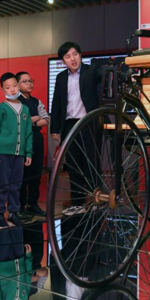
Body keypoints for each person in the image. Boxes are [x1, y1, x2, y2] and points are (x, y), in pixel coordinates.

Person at [49, 42, 102, 215]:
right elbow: (56, 103)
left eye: (75, 54)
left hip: (89, 123)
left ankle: (96, 200)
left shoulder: (91, 71)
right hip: (70, 125)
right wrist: (55, 128)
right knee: (73, 165)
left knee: (92, 162)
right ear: (63, 60)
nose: (72, 59)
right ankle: (78, 204)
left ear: (80, 55)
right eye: (68, 56)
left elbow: (103, 74)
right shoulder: (61, 77)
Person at [0, 73, 33, 228]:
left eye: (14, 85)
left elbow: (28, 133)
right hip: (3, 153)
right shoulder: (1, 108)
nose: (12, 90)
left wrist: (28, 152)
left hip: (19, 154)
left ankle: (13, 212)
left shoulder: (25, 109)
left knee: (16, 184)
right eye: (8, 87)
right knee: (3, 184)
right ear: (2, 89)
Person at [16, 71, 49, 217]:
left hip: (36, 138)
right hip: (22, 139)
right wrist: (34, 119)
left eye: (31, 81)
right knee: (23, 174)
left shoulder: (36, 101)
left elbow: (46, 119)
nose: (29, 84)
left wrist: (31, 120)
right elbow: (19, 122)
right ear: (17, 84)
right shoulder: (16, 101)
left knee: (36, 173)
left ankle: (33, 204)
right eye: (25, 81)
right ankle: (20, 206)